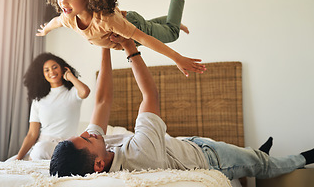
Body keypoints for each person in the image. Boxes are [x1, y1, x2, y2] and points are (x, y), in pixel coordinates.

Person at [49, 36, 314, 180]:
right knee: (261, 165)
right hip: (210, 158)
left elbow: (102, 101)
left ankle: (255, 151)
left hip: (185, 144)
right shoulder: (139, 156)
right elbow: (150, 94)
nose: (90, 132)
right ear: (97, 165)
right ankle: (302, 157)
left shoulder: (99, 151)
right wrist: (130, 47)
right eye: (87, 138)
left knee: (251, 154)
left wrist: (105, 47)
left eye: (84, 133)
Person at [37, 0, 206, 77]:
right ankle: (172, 20)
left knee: (172, 33)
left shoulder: (105, 19)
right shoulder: (69, 18)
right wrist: (45, 30)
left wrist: (177, 58)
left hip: (132, 25)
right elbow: (55, 22)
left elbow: (143, 38)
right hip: (126, 24)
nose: (63, 2)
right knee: (149, 27)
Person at [14, 52, 90, 160]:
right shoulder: (38, 100)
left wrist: (69, 76)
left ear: (62, 69)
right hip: (42, 146)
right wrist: (18, 158)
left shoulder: (73, 92)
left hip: (65, 147)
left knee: (42, 150)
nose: (52, 72)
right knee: (11, 161)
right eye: (47, 70)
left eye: (55, 67)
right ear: (43, 75)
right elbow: (32, 134)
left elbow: (85, 91)